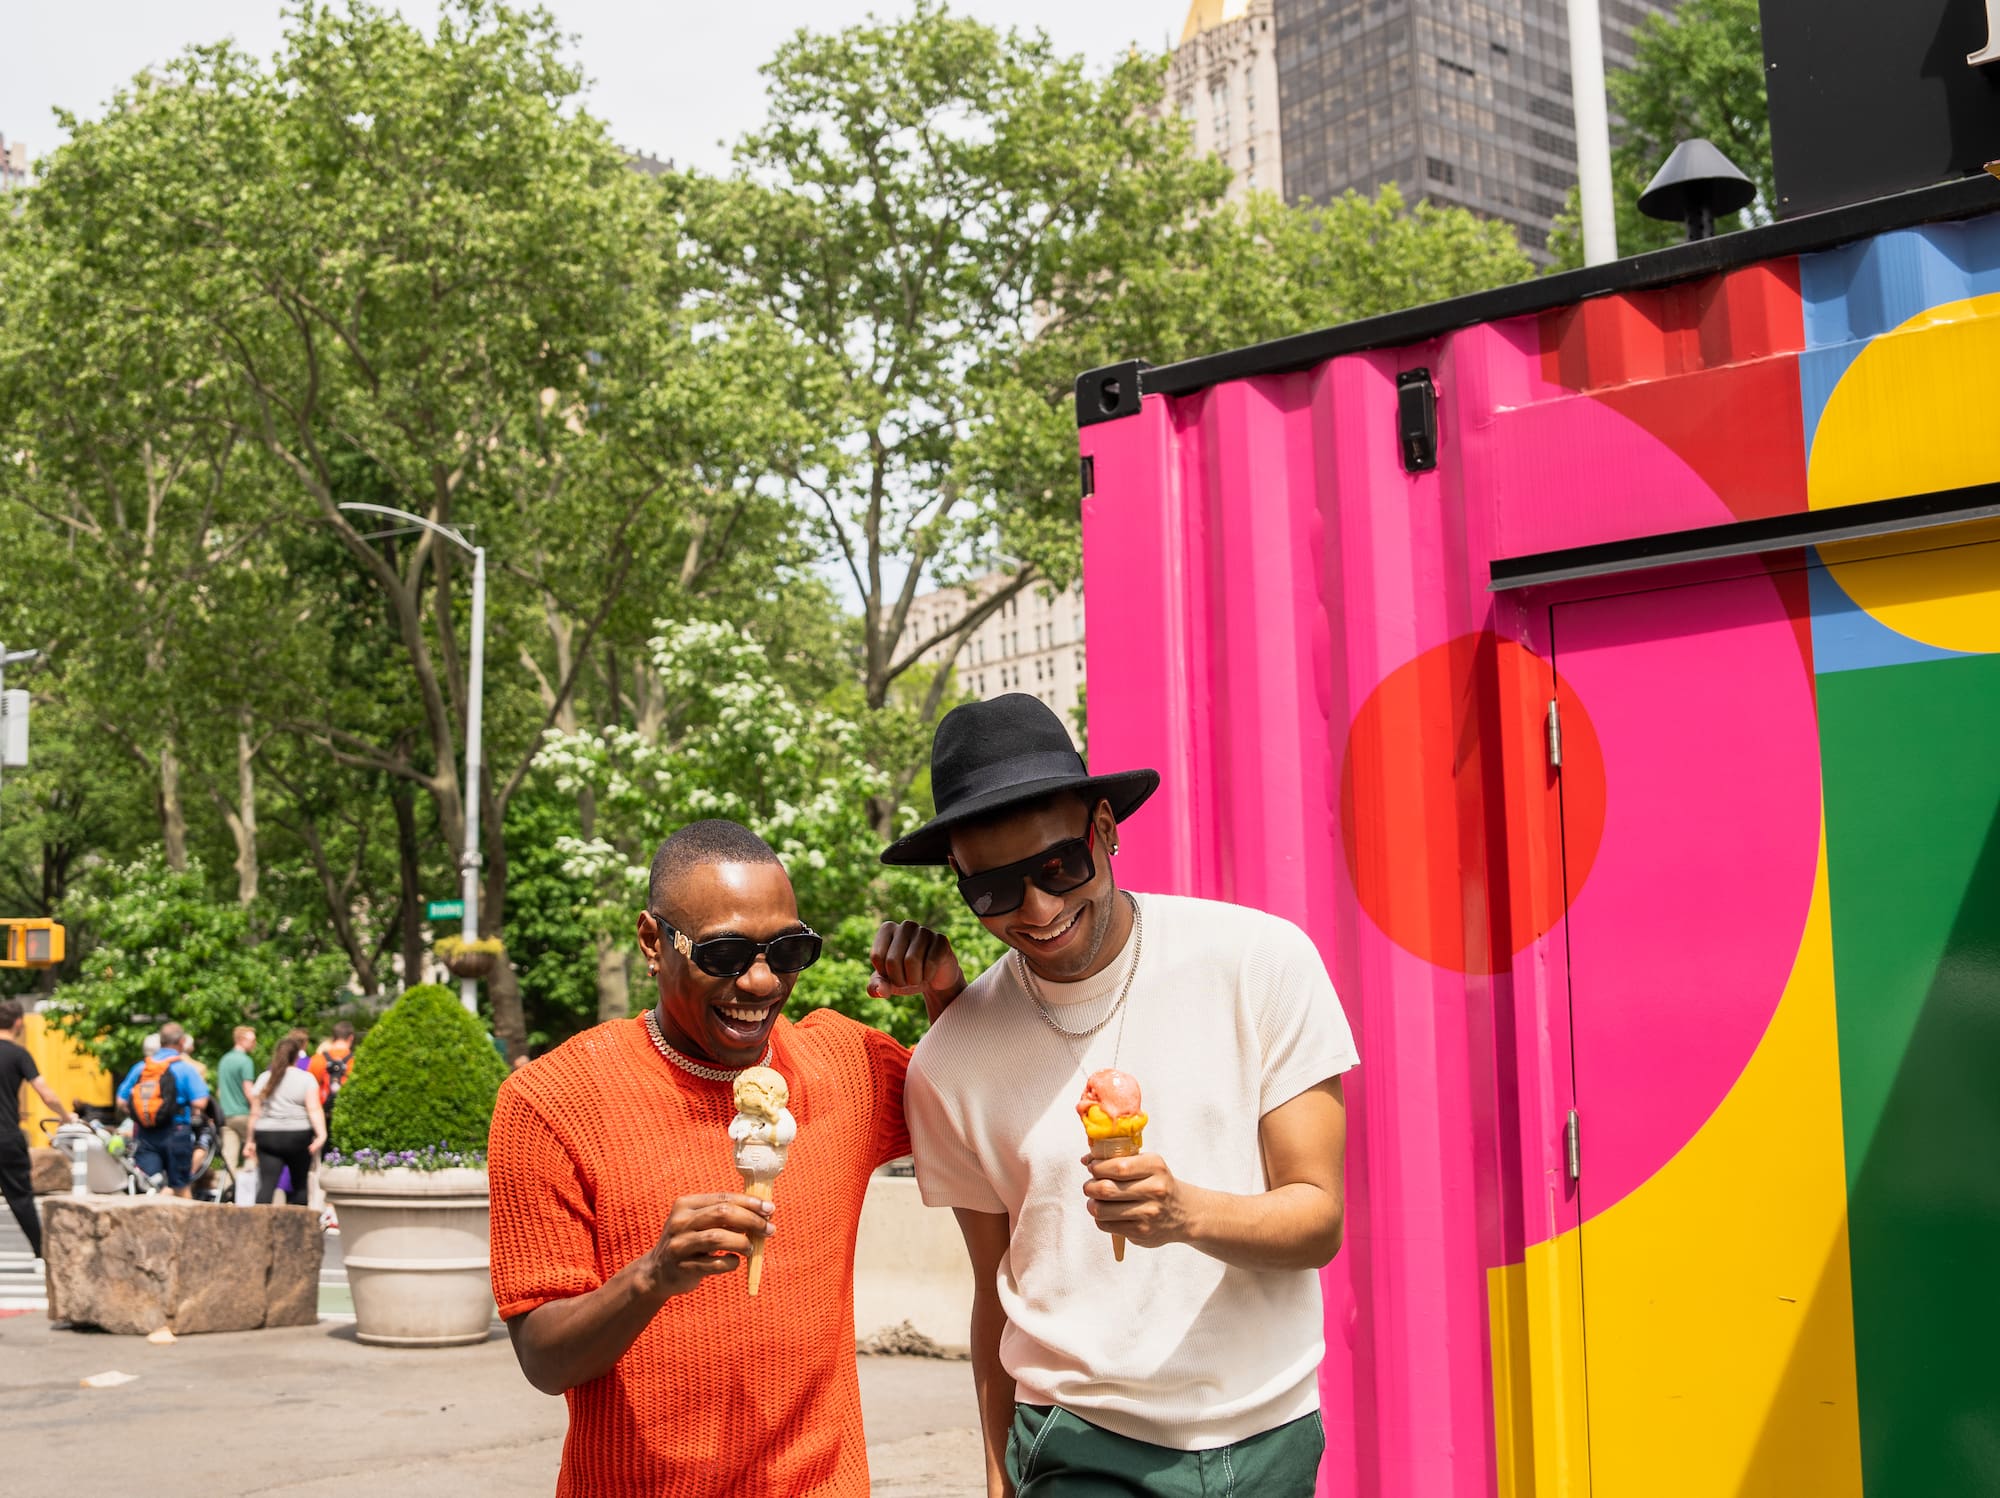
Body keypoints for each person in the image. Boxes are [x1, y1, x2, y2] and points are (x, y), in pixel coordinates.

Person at [873, 694, 1359, 1498]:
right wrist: (997, 1475)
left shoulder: (1259, 962)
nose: (1038, 910)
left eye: (1059, 866)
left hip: (1271, 1434)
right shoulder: (949, 1059)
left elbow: (1317, 1221)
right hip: (1077, 1444)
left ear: (1105, 828)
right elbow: (1000, 1294)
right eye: (992, 890)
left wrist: (1186, 1214)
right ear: (957, 883)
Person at [488, 819, 951, 1498]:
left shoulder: (847, 1065)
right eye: (725, 953)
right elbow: (544, 1358)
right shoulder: (549, 1101)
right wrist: (652, 1275)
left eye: (788, 950)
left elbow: (986, 1109)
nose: (761, 981)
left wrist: (944, 989)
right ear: (653, 942)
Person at [0, 1000, 77, 1257]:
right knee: (20, 1197)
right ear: (18, 1022)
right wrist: (66, 1116)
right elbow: (46, 1094)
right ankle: (42, 1252)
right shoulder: (19, 1054)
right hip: (6, 1136)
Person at [115, 1021, 211, 1199]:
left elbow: (121, 1101)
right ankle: (186, 1226)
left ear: (161, 1041)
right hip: (177, 1131)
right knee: (181, 1186)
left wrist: (144, 1114)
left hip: (145, 1133)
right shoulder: (184, 1069)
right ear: (182, 1042)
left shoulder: (141, 1068)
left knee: (151, 1186)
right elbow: (200, 1102)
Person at [245, 1034, 325, 1206]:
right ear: (297, 1056)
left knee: (267, 1184)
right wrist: (321, 1135)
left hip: (267, 1136)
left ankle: (259, 1226)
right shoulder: (305, 1078)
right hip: (297, 1135)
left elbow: (255, 1113)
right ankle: (297, 1227)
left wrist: (250, 1140)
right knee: (300, 1185)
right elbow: (314, 1109)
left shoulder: (265, 1078)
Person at [215, 1026, 258, 1176]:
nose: (255, 1043)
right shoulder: (246, 1061)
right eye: (252, 1040)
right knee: (253, 1151)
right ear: (241, 1040)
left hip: (226, 1115)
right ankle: (251, 1193)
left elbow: (219, 1090)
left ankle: (227, 1194)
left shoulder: (224, 1060)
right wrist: (257, 1107)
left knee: (229, 1159)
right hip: (244, 1114)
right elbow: (248, 1090)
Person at [308, 1020, 357, 1127]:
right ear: (351, 1038)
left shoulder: (316, 1060)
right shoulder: (356, 1062)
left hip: (322, 1117)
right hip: (347, 1116)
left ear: (333, 1037)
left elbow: (308, 1089)